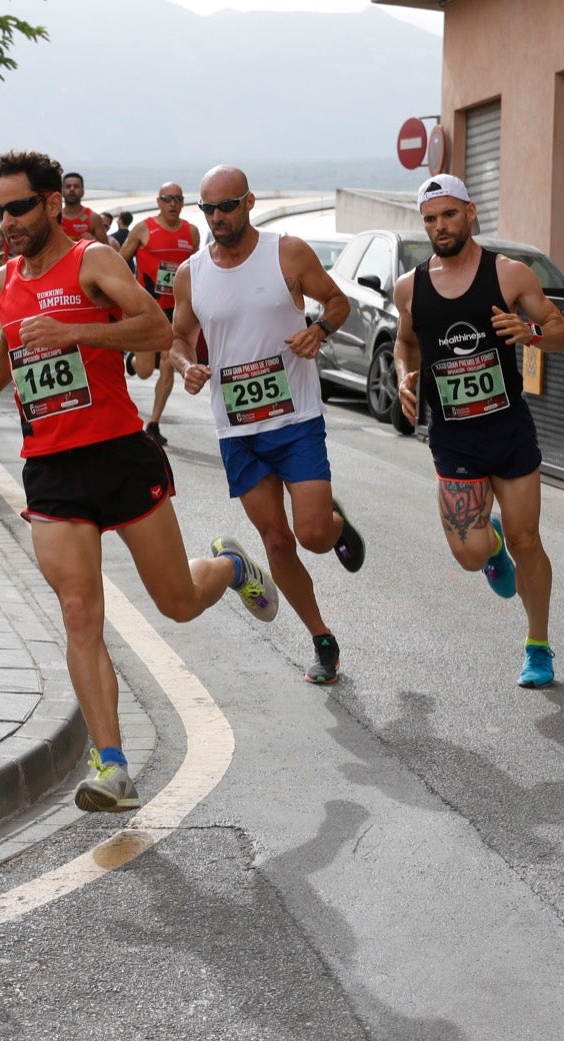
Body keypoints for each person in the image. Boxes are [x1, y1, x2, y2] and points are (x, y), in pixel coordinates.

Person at [0, 150, 277, 812]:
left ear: (48, 204)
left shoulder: (92, 260)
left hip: (119, 453)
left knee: (177, 602)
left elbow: (155, 329)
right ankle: (113, 764)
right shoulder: (6, 279)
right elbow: (9, 346)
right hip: (52, 469)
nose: (6, 221)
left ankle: (231, 566)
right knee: (79, 611)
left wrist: (74, 333)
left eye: (16, 208)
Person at [170, 165, 366, 685]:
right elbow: (178, 338)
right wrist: (185, 365)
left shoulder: (288, 251)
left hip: (295, 417)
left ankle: (334, 524)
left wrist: (319, 329)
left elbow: (339, 301)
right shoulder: (190, 273)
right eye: (207, 209)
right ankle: (322, 639)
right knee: (278, 542)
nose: (217, 218)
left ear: (249, 202)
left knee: (313, 536)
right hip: (237, 429)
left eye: (226, 207)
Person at [392, 174, 564, 688]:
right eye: (430, 218)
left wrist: (531, 332)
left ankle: (538, 644)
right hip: (454, 436)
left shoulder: (509, 274)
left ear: (471, 213)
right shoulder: (411, 286)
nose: (439, 226)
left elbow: (563, 332)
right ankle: (489, 546)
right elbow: (407, 343)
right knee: (470, 555)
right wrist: (405, 374)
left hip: (507, 427)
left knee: (528, 539)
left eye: (449, 215)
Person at [120, 182, 201, 445]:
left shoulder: (192, 232)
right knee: (144, 371)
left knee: (168, 365)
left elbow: (196, 270)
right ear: (158, 202)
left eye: (178, 199)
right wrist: (135, 288)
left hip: (176, 311)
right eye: (168, 199)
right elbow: (120, 261)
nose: (173, 204)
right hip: (148, 309)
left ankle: (153, 423)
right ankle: (132, 360)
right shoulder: (144, 229)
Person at [58, 171, 110, 245]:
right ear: (62, 191)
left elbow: (107, 250)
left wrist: (93, 242)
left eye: (76, 186)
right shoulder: (54, 217)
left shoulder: (93, 218)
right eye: (68, 186)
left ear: (83, 192)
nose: (72, 189)